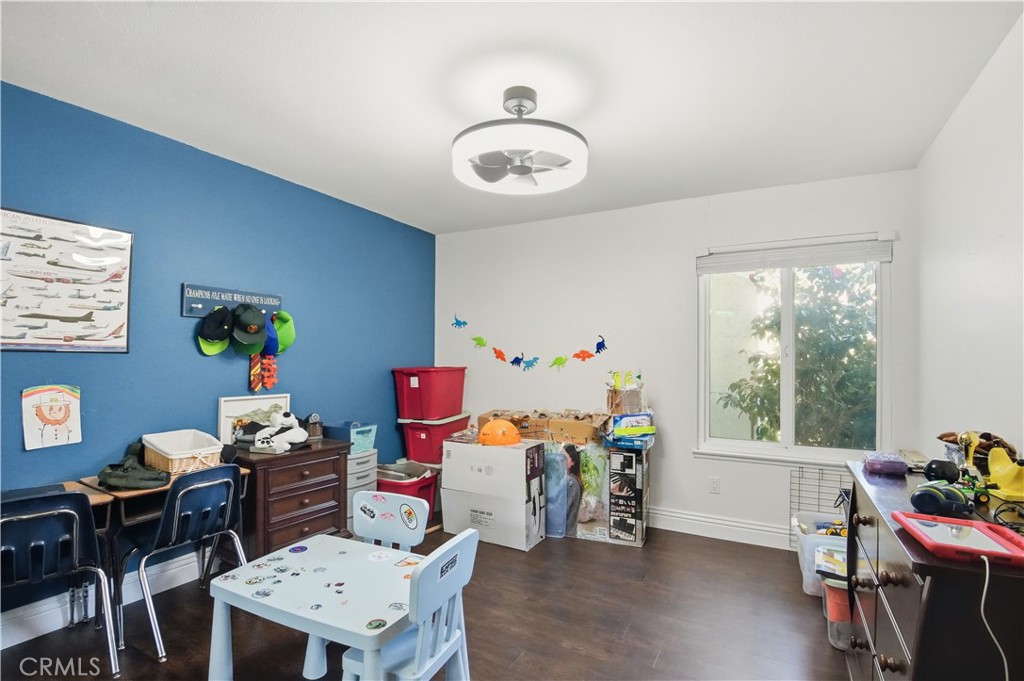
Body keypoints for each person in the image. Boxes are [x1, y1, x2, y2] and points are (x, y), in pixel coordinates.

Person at [563, 444, 584, 538]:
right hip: (569, 532)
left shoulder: (571, 482)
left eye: (564, 458)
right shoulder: (571, 479)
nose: (560, 460)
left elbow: (564, 509)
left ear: (573, 462)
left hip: (566, 534)